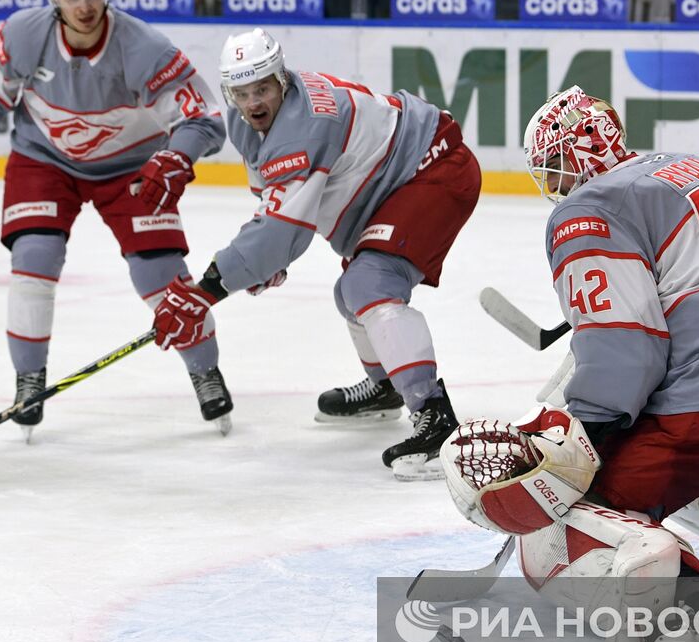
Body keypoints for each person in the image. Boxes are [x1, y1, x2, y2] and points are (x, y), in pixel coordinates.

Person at [439, 89, 699, 642]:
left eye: (557, 170)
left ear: (579, 156)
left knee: (568, 508)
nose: (556, 188)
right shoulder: (680, 167)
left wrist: (581, 434)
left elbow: (626, 349)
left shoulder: (586, 210)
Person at [0, 0, 231, 438]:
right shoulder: (23, 34)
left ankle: (205, 372)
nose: (83, 7)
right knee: (34, 261)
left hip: (132, 166)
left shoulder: (144, 47)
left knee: (161, 275)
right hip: (43, 160)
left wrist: (178, 155)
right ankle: (28, 379)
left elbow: (203, 117)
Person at [150, 29, 482, 479]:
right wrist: (265, 261)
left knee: (369, 284)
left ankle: (436, 416)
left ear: (281, 78)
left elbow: (278, 231)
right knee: (352, 294)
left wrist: (207, 289)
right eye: (242, 93)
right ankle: (387, 387)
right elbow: (274, 209)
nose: (253, 103)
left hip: (431, 168)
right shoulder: (248, 121)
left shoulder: (303, 126)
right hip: (390, 184)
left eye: (262, 88)